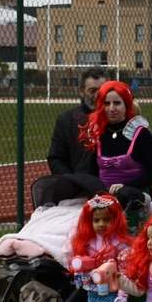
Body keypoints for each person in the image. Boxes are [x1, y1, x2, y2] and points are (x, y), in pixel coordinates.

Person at [80, 79, 152, 222]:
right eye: (107, 104)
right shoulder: (98, 133)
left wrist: (126, 186)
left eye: (117, 103)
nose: (112, 108)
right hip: (103, 202)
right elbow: (92, 172)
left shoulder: (140, 133)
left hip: (134, 199)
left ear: (126, 105)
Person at [42, 68, 108, 204]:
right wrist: (74, 182)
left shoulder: (116, 118)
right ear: (82, 91)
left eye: (101, 90)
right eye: (92, 90)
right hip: (75, 192)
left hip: (109, 189)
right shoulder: (66, 120)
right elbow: (56, 158)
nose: (97, 95)